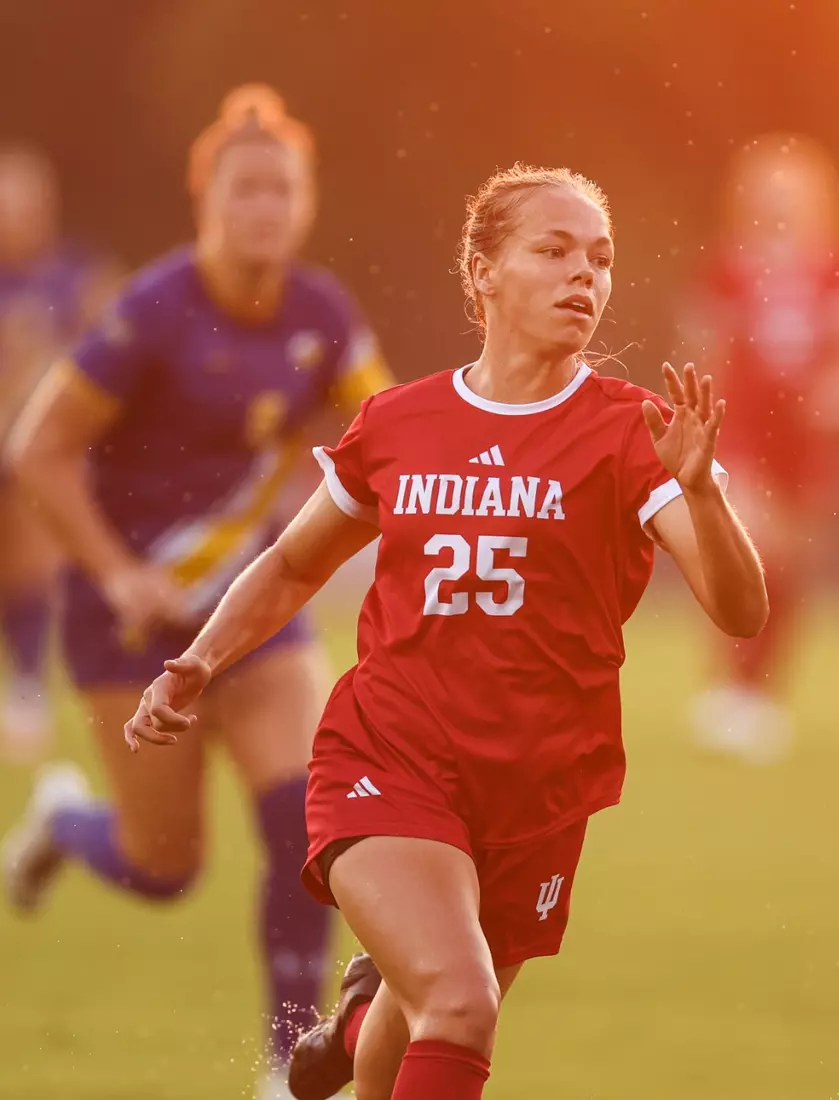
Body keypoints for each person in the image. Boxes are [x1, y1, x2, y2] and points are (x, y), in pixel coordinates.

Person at [121, 164, 766, 1100]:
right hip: (392, 755)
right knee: (461, 1005)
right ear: (483, 273)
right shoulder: (399, 421)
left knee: (422, 1025)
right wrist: (199, 660)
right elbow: (296, 563)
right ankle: (367, 1005)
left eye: (600, 258)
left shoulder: (634, 432)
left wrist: (703, 494)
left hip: (540, 788)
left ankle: (355, 1018)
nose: (583, 275)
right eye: (552, 251)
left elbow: (740, 611)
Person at [0, 86, 393, 1099]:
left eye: (282, 188)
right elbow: (37, 450)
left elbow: (393, 442)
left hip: (251, 612)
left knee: (305, 824)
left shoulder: (323, 313)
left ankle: (290, 1063)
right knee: (164, 868)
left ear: (304, 202)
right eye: (245, 188)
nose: (264, 206)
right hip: (127, 624)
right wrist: (117, 570)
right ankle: (63, 822)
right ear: (206, 198)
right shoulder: (152, 310)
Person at [681, 133, 839, 764]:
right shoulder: (727, 266)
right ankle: (731, 686)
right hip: (744, 425)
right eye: (768, 192)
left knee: (792, 563)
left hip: (810, 435)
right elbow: (704, 346)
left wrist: (838, 402)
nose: (779, 205)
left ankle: (762, 693)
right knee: (750, 542)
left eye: (791, 192)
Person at [0, 145, 117, 762]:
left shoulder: (76, 274)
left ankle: (26, 683)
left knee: (29, 556)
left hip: (40, 445)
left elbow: (117, 341)